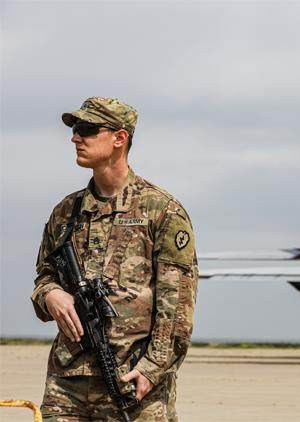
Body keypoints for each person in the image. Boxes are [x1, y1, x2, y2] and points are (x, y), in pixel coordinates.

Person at [31, 97, 198, 421]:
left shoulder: (161, 211)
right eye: (75, 130)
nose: (75, 138)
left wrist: (152, 368)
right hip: (67, 385)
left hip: (133, 385)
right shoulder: (66, 212)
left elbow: (176, 307)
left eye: (86, 129)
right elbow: (44, 276)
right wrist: (50, 294)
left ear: (120, 138)